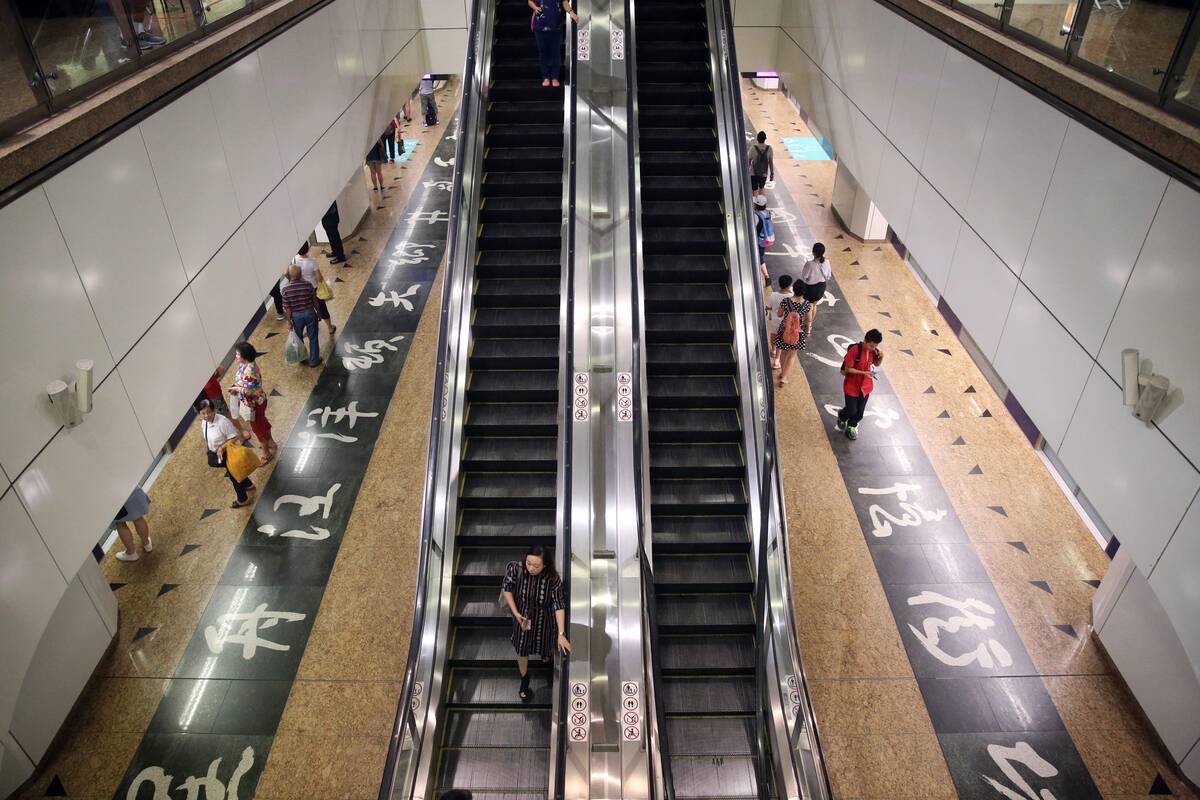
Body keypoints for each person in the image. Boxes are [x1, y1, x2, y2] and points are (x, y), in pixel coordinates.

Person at [501, 545, 570, 702]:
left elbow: (559, 604)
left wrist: (561, 633)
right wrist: (516, 612)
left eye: (536, 566)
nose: (531, 568)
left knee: (545, 641)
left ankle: (545, 654)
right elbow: (507, 588)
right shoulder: (516, 569)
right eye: (528, 563)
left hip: (543, 618)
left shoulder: (552, 579)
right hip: (523, 618)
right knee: (522, 649)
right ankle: (524, 678)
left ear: (545, 565)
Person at [199, 400, 256, 508]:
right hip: (217, 453)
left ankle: (242, 500)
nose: (206, 415)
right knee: (234, 472)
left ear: (214, 410)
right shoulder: (204, 422)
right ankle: (249, 485)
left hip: (228, 453)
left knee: (234, 476)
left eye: (208, 412)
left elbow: (234, 437)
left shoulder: (222, 421)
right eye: (203, 413)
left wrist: (221, 448)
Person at [228, 342, 278, 464]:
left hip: (253, 405)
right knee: (263, 422)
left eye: (238, 354)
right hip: (259, 400)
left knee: (257, 429)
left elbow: (248, 390)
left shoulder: (249, 370)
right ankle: (271, 442)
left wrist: (235, 389)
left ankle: (266, 454)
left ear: (244, 356)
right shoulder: (246, 365)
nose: (236, 356)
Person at [837, 329, 885, 440]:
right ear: (865, 341)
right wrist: (864, 373)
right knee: (851, 410)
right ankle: (842, 416)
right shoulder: (854, 351)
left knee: (859, 412)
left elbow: (876, 364)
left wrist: (881, 357)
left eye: (875, 346)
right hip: (852, 386)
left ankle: (852, 427)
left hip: (866, 387)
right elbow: (848, 369)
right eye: (871, 346)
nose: (873, 348)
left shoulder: (874, 351)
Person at [288, 242, 337, 336]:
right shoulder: (312, 261)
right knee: (322, 308)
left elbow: (287, 272)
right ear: (307, 248)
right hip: (313, 289)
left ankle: (308, 330)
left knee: (307, 309)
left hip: (301, 290)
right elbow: (319, 277)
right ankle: (330, 328)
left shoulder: (294, 259)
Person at [529, 1, 578, 88]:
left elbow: (564, 2)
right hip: (540, 26)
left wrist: (570, 12)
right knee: (543, 52)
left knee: (555, 52)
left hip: (556, 26)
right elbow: (530, 1)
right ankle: (546, 77)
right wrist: (535, 8)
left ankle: (555, 77)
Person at [281, 263, 322, 367]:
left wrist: (289, 321)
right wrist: (319, 313)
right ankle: (314, 360)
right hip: (309, 313)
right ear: (300, 274)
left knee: (298, 337)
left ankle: (302, 358)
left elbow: (287, 308)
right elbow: (314, 301)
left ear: (289, 276)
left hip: (296, 316)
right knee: (313, 337)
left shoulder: (285, 290)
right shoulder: (308, 285)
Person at [773, 291, 811, 386]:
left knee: (783, 352)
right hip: (797, 333)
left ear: (794, 290)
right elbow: (808, 320)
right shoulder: (806, 304)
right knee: (791, 355)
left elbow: (779, 314)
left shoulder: (786, 301)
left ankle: (782, 372)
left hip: (784, 331)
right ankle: (784, 377)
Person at [112, 487, 152, 562]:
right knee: (138, 517)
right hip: (126, 487)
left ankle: (131, 552)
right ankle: (147, 544)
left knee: (120, 523)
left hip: (111, 497)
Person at [798, 242, 831, 331]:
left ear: (813, 252)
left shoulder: (810, 264)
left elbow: (804, 276)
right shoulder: (827, 262)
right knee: (814, 305)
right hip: (822, 286)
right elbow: (828, 275)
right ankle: (810, 323)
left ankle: (807, 326)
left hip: (811, 288)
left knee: (809, 306)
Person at [765, 274, 794, 369]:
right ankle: (777, 360)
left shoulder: (773, 295)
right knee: (781, 340)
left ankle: (773, 350)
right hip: (785, 322)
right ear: (790, 285)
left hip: (773, 320)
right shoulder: (791, 297)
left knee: (773, 336)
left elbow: (768, 307)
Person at [754, 195, 774, 286]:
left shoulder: (756, 215)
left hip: (757, 240)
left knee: (759, 257)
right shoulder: (768, 213)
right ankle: (766, 276)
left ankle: (766, 276)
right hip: (765, 239)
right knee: (761, 255)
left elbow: (753, 228)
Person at [748, 131, 774, 201]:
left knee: (754, 190)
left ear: (757, 139)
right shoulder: (769, 149)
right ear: (765, 139)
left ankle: (754, 204)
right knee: (761, 189)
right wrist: (772, 174)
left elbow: (748, 161)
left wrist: (747, 172)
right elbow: (771, 163)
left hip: (753, 173)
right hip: (763, 174)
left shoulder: (753, 148)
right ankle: (760, 204)